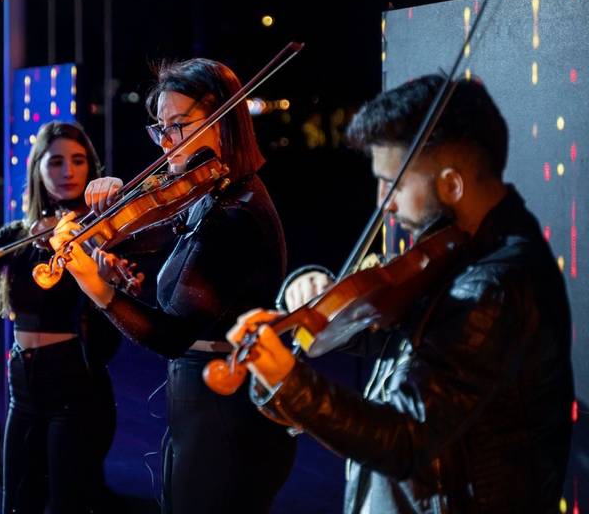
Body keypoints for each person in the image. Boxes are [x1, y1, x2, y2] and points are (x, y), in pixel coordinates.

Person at [228, 75, 574, 513]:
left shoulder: (493, 286)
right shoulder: (458, 251)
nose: (383, 203)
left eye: (392, 184)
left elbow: (406, 439)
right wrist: (311, 289)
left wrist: (290, 382)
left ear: (452, 185)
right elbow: (389, 332)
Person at [50, 58, 297, 513]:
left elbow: (172, 335)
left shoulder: (236, 213)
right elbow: (155, 226)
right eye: (161, 127)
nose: (167, 142)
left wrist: (97, 287)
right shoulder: (210, 195)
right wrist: (111, 201)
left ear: (225, 122)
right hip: (204, 407)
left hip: (226, 413)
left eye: (179, 125)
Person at [0, 121, 125, 514]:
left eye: (78, 161)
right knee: (17, 501)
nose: (67, 172)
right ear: (38, 170)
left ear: (90, 168)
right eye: (56, 162)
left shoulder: (100, 228)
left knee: (70, 502)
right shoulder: (19, 233)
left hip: (75, 384)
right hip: (23, 387)